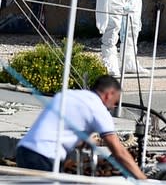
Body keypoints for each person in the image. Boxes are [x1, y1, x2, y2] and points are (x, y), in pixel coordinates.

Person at [16, 75, 147, 180]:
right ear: (109, 94)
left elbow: (59, 127)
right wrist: (142, 179)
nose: (113, 107)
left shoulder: (67, 95)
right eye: (115, 102)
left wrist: (81, 140)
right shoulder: (98, 108)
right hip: (45, 156)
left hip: (24, 150)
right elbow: (119, 151)